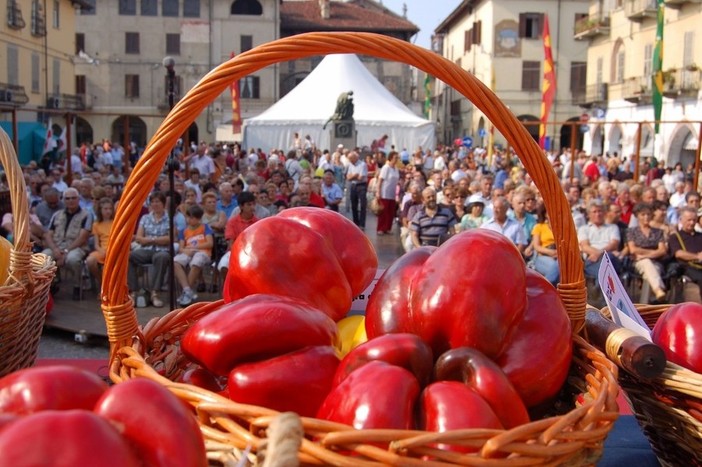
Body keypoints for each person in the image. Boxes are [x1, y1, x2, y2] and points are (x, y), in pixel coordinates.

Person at [41, 188, 93, 300]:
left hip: (76, 247)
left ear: (78, 199)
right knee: (44, 257)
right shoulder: (57, 215)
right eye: (67, 198)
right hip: (57, 246)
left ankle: (77, 286)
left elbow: (83, 237)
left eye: (73, 198)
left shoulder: (86, 215)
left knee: (72, 259)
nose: (71, 200)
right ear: (63, 200)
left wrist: (65, 251)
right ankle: (52, 283)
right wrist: (55, 249)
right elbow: (48, 234)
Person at [127, 192, 171, 308]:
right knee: (128, 257)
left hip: (162, 250)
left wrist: (149, 239)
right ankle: (134, 291)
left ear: (163, 203)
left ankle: (155, 292)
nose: (155, 204)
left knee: (161, 257)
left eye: (158, 202)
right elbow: (139, 238)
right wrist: (156, 239)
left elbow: (169, 239)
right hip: (146, 250)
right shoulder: (145, 218)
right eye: (153, 202)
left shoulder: (169, 218)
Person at [626, 203, 668, 303]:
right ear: (637, 216)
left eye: (648, 214)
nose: (646, 217)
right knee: (647, 264)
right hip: (637, 263)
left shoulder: (658, 232)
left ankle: (647, 302)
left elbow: (662, 250)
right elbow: (633, 249)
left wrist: (644, 255)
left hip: (656, 262)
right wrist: (653, 252)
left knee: (649, 269)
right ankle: (658, 290)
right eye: (643, 214)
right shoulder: (631, 231)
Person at [174, 204, 214, 306]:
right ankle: (187, 291)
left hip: (202, 252)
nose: (189, 220)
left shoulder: (205, 228)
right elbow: (181, 247)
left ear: (199, 218)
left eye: (192, 217)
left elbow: (210, 243)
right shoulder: (184, 231)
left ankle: (186, 293)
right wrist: (185, 250)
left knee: (196, 262)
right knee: (176, 262)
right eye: (188, 217)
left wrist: (194, 248)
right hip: (188, 252)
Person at [218, 191, 259, 281]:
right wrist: (237, 255)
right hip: (234, 251)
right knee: (223, 265)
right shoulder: (232, 222)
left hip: (253, 253)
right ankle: (229, 290)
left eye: (253, 204)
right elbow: (231, 243)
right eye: (249, 205)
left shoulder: (258, 223)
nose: (252, 207)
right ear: (241, 206)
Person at [578, 200, 623, 279]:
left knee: (608, 258)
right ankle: (602, 287)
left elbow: (614, 245)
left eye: (600, 211)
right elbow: (585, 247)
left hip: (611, 259)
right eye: (594, 212)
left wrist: (600, 254)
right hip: (592, 260)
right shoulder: (584, 229)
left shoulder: (612, 227)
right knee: (605, 271)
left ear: (604, 213)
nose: (598, 214)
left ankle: (599, 288)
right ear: (588, 214)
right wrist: (601, 253)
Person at [668, 206, 702, 299]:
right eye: (689, 220)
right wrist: (697, 257)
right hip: (687, 267)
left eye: (694, 220)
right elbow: (679, 253)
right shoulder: (675, 237)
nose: (692, 223)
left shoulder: (700, 235)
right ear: (681, 220)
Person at [86, 197, 114, 294]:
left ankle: (108, 289)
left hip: (114, 249)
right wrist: (101, 250)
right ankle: (103, 284)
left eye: (110, 209)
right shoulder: (96, 224)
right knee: (90, 261)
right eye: (105, 209)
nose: (108, 211)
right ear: (100, 210)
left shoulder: (116, 222)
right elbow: (96, 244)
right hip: (102, 249)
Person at [531, 204, 560, 286]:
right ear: (545, 214)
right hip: (543, 256)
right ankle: (546, 287)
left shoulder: (562, 228)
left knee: (559, 266)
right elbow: (536, 246)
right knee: (558, 269)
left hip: (559, 257)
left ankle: (543, 287)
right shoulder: (539, 227)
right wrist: (551, 252)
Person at [376, 151, 400, 235]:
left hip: (392, 193)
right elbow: (380, 180)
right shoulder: (386, 168)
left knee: (391, 212)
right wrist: (378, 192)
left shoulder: (396, 168)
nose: (396, 159)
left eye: (397, 158)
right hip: (385, 192)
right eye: (395, 158)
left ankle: (387, 228)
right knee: (383, 211)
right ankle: (380, 228)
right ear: (391, 158)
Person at [346, 151, 368, 230]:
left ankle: (362, 224)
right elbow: (348, 177)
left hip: (361, 185)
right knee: (354, 205)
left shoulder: (362, 165)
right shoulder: (350, 165)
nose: (350, 160)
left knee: (362, 205)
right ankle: (356, 222)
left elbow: (360, 178)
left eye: (351, 159)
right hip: (353, 185)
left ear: (355, 157)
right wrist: (355, 175)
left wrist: (353, 176)